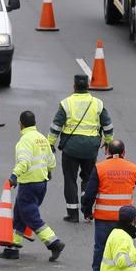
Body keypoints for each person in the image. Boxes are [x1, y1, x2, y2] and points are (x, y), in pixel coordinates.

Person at [0, 111, 65, 262]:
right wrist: (48, 172)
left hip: (29, 184)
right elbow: (52, 162)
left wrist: (14, 176)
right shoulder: (42, 139)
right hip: (41, 184)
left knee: (30, 216)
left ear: (21, 124)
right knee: (20, 214)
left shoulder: (24, 141)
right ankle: (12, 248)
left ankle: (53, 243)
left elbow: (24, 162)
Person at [47, 74, 114, 223]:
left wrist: (49, 144)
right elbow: (108, 126)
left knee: (70, 180)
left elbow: (56, 126)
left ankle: (73, 214)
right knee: (88, 178)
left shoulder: (66, 103)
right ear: (88, 86)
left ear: (74, 86)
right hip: (91, 148)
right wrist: (109, 142)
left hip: (70, 148)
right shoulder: (98, 103)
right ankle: (86, 206)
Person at [81, 140, 136, 271]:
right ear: (124, 152)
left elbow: (89, 194)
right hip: (125, 218)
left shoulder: (100, 168)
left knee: (101, 246)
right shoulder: (132, 168)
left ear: (107, 152)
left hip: (104, 217)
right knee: (123, 247)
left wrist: (86, 211)